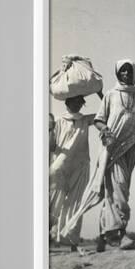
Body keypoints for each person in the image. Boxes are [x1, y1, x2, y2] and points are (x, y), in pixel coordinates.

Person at [61, 59, 135, 252]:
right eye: (123, 71)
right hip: (112, 147)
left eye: (129, 71)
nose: (126, 74)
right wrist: (107, 132)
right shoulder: (110, 95)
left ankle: (104, 235)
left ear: (134, 73)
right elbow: (98, 120)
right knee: (119, 188)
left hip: (132, 146)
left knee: (119, 189)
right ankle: (120, 234)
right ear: (118, 74)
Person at [49, 95, 97, 253]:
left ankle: (71, 241)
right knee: (54, 203)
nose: (77, 104)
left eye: (80, 101)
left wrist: (100, 93)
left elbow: (106, 112)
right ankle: (45, 238)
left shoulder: (85, 120)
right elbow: (51, 146)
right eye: (74, 101)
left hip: (80, 165)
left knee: (76, 204)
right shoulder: (57, 121)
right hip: (60, 166)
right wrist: (49, 129)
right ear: (67, 102)